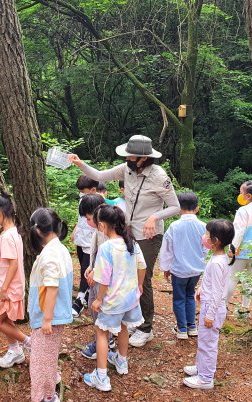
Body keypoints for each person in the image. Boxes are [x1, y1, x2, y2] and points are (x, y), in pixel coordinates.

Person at [69, 135, 180, 348]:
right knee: (123, 275)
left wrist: (155, 216)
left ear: (142, 158)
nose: (127, 157)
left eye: (131, 155)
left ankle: (146, 327)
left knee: (142, 277)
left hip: (148, 234)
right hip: (127, 230)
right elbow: (100, 174)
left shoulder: (159, 176)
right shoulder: (126, 169)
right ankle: (129, 319)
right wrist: (80, 163)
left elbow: (174, 206)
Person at [83, 205, 146, 392]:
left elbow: (103, 277)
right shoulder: (131, 243)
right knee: (124, 327)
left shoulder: (106, 247)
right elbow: (142, 266)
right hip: (130, 298)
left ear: (102, 225)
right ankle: (121, 361)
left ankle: (101, 377)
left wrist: (98, 299)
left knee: (102, 332)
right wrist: (140, 285)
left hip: (112, 300)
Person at [182, 219, 235, 389]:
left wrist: (210, 315)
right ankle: (201, 367)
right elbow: (212, 282)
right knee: (204, 341)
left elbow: (220, 292)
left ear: (216, 240)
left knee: (208, 344)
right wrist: (201, 289)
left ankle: (205, 378)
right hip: (209, 306)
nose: (204, 237)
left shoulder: (219, 262)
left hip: (213, 310)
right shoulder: (218, 257)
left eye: (207, 234)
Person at [28, 208, 73, 402]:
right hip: (54, 316)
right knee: (47, 355)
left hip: (49, 318)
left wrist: (46, 319)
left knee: (38, 362)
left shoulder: (49, 255)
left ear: (37, 230)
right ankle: (50, 386)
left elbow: (52, 287)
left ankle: (44, 396)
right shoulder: (59, 248)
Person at [0, 193, 30, 369]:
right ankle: (15, 351)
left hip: (9, 289)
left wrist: (4, 288)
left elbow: (12, 264)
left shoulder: (6, 236)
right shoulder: (13, 233)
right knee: (6, 321)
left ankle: (29, 343)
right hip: (10, 287)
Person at [159, 192, 208, 339]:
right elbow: (206, 247)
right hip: (196, 270)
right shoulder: (203, 226)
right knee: (190, 295)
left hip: (179, 271)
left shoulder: (174, 226)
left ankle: (181, 329)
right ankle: (192, 326)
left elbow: (167, 249)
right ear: (197, 208)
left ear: (178, 208)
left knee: (179, 298)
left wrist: (166, 267)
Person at [76, 195, 116, 360]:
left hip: (105, 283)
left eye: (89, 218)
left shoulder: (108, 234)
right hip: (96, 279)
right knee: (95, 309)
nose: (87, 222)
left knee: (101, 310)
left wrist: (96, 272)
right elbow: (95, 255)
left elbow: (108, 262)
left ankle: (104, 343)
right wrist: (91, 268)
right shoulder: (98, 232)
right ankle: (107, 338)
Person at [226, 178, 252, 317]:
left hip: (242, 250)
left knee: (232, 278)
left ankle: (223, 306)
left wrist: (232, 248)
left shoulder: (243, 210)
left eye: (241, 192)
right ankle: (245, 309)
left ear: (248, 196)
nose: (240, 195)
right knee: (248, 280)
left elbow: (239, 231)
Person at [71, 176, 100, 317]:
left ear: (93, 190)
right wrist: (76, 229)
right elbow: (81, 218)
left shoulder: (98, 203)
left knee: (86, 269)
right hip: (81, 239)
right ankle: (87, 295)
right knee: (82, 268)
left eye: (84, 191)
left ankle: (79, 301)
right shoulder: (83, 200)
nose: (81, 194)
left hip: (91, 242)